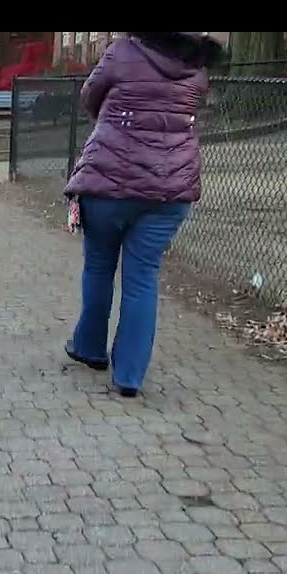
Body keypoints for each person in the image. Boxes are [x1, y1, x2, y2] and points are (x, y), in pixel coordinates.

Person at [63, 32, 223, 398]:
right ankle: (129, 376)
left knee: (99, 266)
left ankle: (89, 347)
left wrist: (111, 121)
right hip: (169, 191)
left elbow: (89, 97)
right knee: (142, 278)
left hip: (108, 181)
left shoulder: (122, 51)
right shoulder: (195, 66)